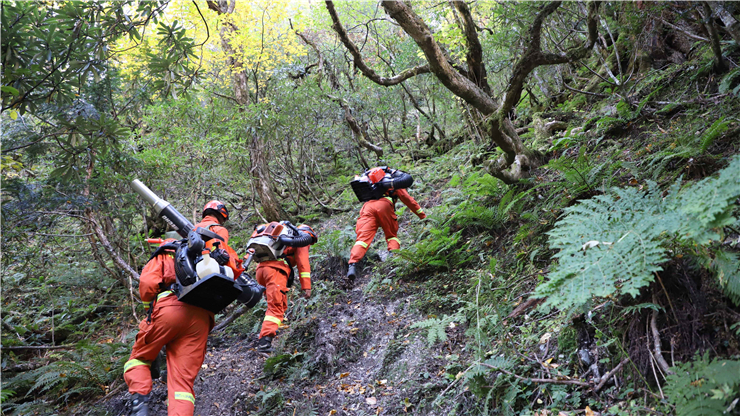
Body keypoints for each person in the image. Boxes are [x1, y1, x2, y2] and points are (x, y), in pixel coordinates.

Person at [123, 239, 213, 416]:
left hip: (170, 310)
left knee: (139, 359)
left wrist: (149, 310)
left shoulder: (165, 255)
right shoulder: (203, 257)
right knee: (182, 386)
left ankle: (140, 407)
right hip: (202, 319)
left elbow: (148, 284)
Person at [347, 167, 426, 280]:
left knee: (361, 240)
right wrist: (423, 216)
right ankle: (393, 260)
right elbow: (408, 200)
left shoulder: (369, 182)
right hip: (384, 205)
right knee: (391, 236)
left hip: (367, 208)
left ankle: (352, 265)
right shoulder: (389, 181)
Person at [254, 223, 317, 354]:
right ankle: (264, 343)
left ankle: (269, 335)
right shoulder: (302, 239)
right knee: (275, 307)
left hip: (261, 270)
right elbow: (302, 262)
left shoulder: (281, 239)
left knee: (278, 305)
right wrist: (307, 286)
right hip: (275, 271)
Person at [193, 200, 244, 279]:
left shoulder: (192, 229)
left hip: (192, 272)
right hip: (210, 270)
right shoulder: (219, 229)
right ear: (221, 214)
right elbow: (222, 254)